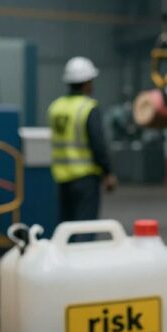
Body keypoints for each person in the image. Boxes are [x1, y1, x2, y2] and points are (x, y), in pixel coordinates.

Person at [48, 57, 117, 232]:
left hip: (62, 178)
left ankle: (65, 259)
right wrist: (107, 172)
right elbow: (97, 144)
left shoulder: (56, 107)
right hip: (85, 178)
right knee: (84, 229)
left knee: (66, 228)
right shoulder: (87, 107)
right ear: (87, 82)